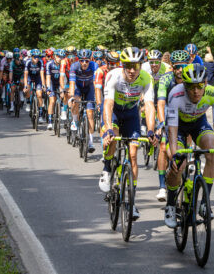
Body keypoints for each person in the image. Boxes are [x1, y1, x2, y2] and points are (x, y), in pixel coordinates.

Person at [163, 63, 214, 228]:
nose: (196, 91)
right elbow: (171, 129)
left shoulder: (213, 94)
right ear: (184, 85)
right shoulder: (175, 94)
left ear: (205, 83)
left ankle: (204, 203)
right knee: (178, 164)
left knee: (212, 149)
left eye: (200, 86)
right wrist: (175, 155)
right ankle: (171, 205)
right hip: (177, 127)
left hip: (199, 124)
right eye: (191, 86)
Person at [99, 47, 158, 220]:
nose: (132, 70)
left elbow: (149, 106)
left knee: (133, 154)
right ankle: (107, 169)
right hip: (115, 113)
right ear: (123, 65)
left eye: (136, 66)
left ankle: (131, 201)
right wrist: (108, 128)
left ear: (141, 66)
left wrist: (150, 130)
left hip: (131, 114)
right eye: (129, 66)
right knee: (113, 139)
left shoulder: (146, 78)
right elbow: (108, 104)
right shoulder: (114, 76)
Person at [154, 50, 190, 202]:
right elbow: (161, 103)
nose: (180, 70)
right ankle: (162, 186)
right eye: (177, 67)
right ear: (172, 67)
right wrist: (162, 123)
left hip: (186, 110)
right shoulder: (165, 79)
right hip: (169, 109)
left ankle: (184, 170)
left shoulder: (193, 77)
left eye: (183, 66)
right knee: (163, 146)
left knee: (186, 144)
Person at [68, 49, 98, 152]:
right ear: (78, 60)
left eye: (86, 60)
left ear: (90, 60)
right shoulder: (74, 66)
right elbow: (72, 83)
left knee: (90, 114)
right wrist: (72, 97)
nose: (84, 63)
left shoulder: (94, 66)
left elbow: (95, 83)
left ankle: (90, 141)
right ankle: (75, 120)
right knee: (76, 101)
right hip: (78, 87)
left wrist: (97, 99)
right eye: (82, 60)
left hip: (89, 88)